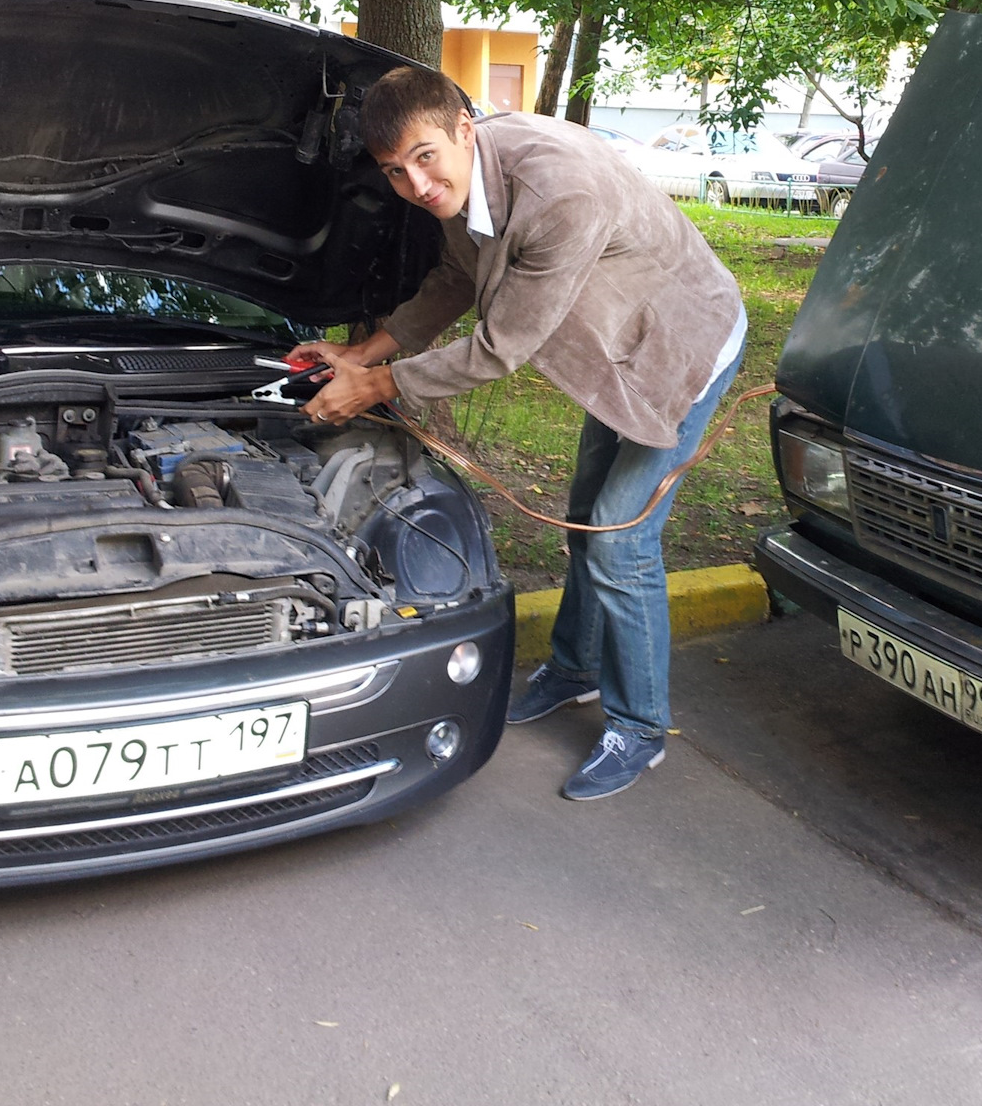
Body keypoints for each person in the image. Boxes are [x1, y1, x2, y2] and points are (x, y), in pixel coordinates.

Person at [294, 65, 745, 800]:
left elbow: (501, 347)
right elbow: (452, 281)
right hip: (620, 355)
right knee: (585, 525)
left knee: (619, 538)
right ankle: (575, 670)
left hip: (684, 350)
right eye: (394, 172)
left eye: (424, 158)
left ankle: (639, 729)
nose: (415, 185)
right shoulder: (465, 175)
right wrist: (365, 351)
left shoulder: (558, 195)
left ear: (463, 129)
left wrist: (377, 387)